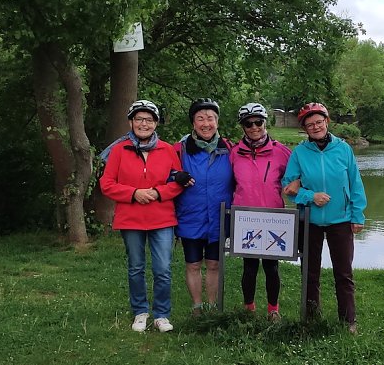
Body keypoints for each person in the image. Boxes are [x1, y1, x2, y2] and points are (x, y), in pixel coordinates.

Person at [99, 100, 186, 333]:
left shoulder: (167, 150)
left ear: (156, 123)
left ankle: (161, 314)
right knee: (136, 267)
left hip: (162, 218)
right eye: (139, 119)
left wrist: (157, 192)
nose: (143, 124)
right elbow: (106, 184)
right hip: (131, 218)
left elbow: (177, 183)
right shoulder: (119, 150)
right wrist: (133, 193)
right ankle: (140, 311)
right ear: (131, 122)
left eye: (149, 119)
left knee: (163, 268)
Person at [282, 102, 367, 334]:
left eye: (319, 122)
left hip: (341, 219)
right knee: (310, 272)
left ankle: (348, 321)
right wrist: (310, 196)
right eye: (310, 125)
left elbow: (355, 183)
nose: (315, 127)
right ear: (305, 129)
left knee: (344, 272)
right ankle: (311, 318)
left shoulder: (343, 149)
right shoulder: (299, 152)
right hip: (309, 221)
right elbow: (287, 186)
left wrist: (357, 215)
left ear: (327, 122)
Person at [229, 103, 292, 321]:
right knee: (250, 266)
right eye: (249, 123)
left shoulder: (282, 152)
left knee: (272, 267)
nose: (254, 127)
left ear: (265, 123)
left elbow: (298, 177)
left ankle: (273, 310)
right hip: (245, 216)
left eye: (259, 122)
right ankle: (249, 308)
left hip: (274, 218)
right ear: (242, 126)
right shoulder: (234, 153)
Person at [174, 98, 234, 315]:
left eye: (210, 118)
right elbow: (163, 172)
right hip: (191, 217)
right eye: (200, 119)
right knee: (193, 264)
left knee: (214, 265)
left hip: (219, 218)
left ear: (217, 122)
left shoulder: (230, 149)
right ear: (193, 123)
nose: (206, 123)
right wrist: (175, 175)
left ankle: (212, 306)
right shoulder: (179, 149)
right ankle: (197, 306)